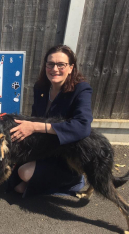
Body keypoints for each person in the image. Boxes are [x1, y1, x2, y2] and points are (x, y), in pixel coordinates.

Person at [9, 45, 93, 197]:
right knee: (12, 185)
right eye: (50, 64)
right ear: (45, 66)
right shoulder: (40, 87)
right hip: (44, 149)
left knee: (24, 175)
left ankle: (75, 182)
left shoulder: (81, 90)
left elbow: (82, 126)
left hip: (66, 155)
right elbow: (34, 117)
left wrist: (35, 127)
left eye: (61, 65)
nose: (55, 69)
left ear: (71, 67)